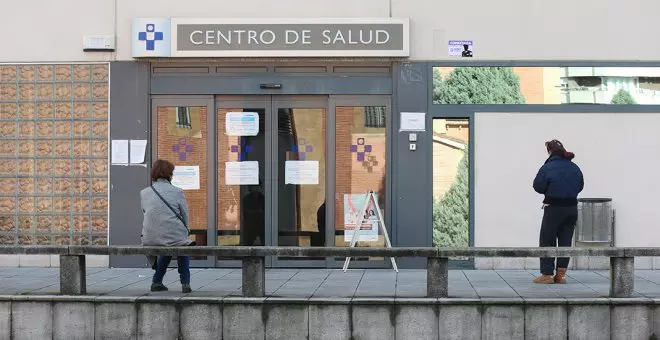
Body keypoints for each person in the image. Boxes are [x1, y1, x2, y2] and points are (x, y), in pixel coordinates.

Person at [532, 140, 584, 284]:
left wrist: (551, 190)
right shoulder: (574, 167)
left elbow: (537, 186)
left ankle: (547, 274)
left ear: (550, 151)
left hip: (554, 208)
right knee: (565, 241)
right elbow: (580, 186)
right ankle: (561, 275)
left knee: (547, 240)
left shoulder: (548, 167)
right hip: (572, 209)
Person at [141, 159, 195, 293]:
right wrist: (186, 229)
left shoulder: (144, 193)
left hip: (150, 237)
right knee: (181, 245)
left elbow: (145, 211)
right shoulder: (177, 192)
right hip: (171, 236)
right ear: (170, 174)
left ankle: (157, 281)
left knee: (168, 244)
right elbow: (184, 214)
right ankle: (185, 283)